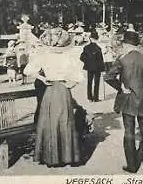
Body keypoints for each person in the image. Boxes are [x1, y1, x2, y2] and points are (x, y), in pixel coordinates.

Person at [23, 33, 85, 167]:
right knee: (65, 121)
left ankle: (52, 158)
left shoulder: (45, 56)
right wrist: (71, 84)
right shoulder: (69, 57)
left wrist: (42, 78)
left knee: (50, 122)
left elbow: (27, 70)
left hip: (50, 91)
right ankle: (67, 157)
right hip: (63, 91)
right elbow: (79, 76)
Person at [104, 31, 143, 174]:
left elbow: (108, 76)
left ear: (126, 44)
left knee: (129, 132)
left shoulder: (122, 59)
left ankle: (132, 165)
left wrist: (121, 87)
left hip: (128, 100)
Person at [80, 31, 105, 102]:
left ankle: (89, 98)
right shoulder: (98, 48)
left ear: (90, 39)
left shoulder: (86, 47)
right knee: (96, 83)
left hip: (89, 67)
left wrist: (87, 62)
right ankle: (96, 98)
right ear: (96, 39)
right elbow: (101, 60)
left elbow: (81, 58)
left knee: (89, 82)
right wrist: (103, 69)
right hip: (97, 68)